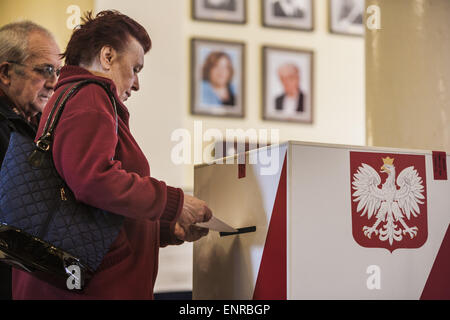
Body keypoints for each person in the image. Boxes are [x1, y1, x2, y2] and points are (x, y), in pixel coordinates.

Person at [12, 10, 213, 300]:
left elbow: (98, 212)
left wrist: (169, 228)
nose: (136, 83)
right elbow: (94, 181)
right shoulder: (91, 95)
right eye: (136, 69)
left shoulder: (73, 96)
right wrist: (174, 202)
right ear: (107, 57)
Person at [0, 21, 61, 301]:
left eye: (58, 72)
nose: (54, 82)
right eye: (45, 70)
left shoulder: (42, 127)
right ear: (5, 72)